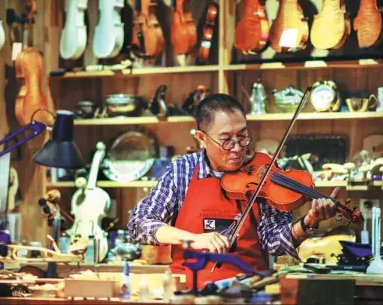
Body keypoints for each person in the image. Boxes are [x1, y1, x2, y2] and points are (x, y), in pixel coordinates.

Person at [127, 94, 339, 289]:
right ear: (202, 138)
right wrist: (193, 239)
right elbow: (140, 223)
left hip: (248, 290)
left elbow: (274, 242)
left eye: (243, 136)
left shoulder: (265, 174)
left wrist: (307, 223)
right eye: (226, 140)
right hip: (188, 290)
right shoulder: (182, 170)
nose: (237, 148)